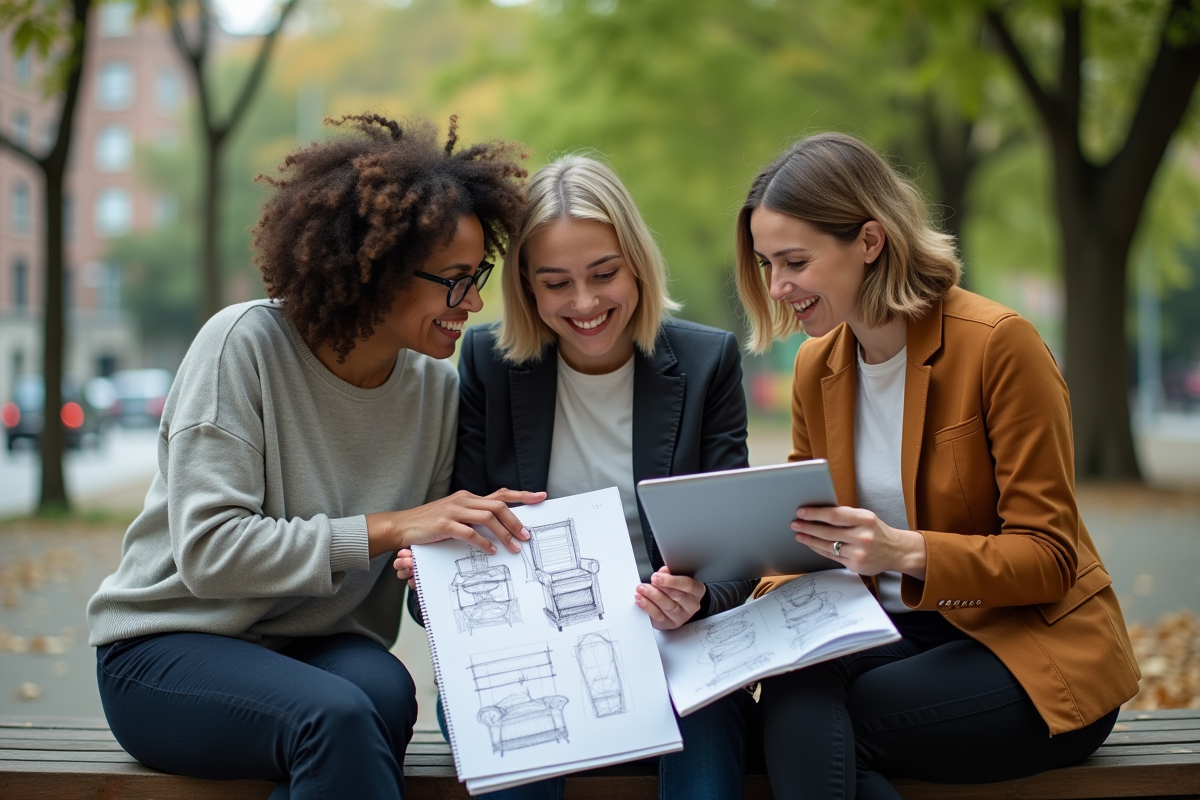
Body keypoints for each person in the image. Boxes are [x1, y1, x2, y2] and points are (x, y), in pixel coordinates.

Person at [87, 114, 543, 800]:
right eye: (454, 279)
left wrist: (462, 548)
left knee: (386, 693)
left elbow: (425, 556)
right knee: (336, 718)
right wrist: (394, 527)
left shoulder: (434, 392)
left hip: (315, 648)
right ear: (379, 271)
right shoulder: (243, 346)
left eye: (478, 275)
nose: (473, 301)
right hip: (166, 648)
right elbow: (210, 553)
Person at [733, 132, 1140, 799]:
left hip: (1030, 649)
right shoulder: (817, 367)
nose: (777, 287)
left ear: (869, 241)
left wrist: (905, 551)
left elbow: (1048, 558)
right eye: (766, 264)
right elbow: (807, 539)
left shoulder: (997, 345)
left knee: (819, 730)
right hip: (894, 635)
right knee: (793, 693)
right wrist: (760, 595)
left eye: (795, 262)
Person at [395, 155, 755, 800]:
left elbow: (734, 552)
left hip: (672, 644)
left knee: (706, 775)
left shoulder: (707, 362)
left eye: (604, 274)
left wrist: (700, 598)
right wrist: (440, 572)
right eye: (556, 283)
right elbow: (447, 560)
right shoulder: (488, 364)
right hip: (527, 652)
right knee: (517, 766)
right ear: (527, 288)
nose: (585, 303)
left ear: (638, 266)